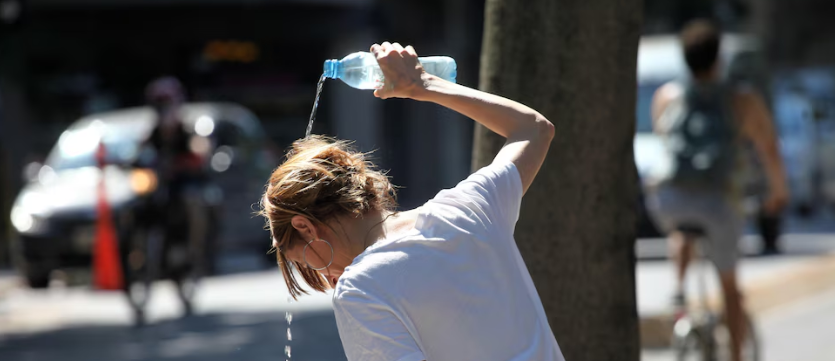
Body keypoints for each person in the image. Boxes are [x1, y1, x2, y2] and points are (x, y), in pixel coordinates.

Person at [261, 42, 564, 361]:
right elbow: (534, 129)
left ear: (305, 227)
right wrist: (426, 85)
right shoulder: (469, 208)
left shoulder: (361, 288)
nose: (330, 279)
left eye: (313, 263)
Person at [646, 20, 788, 361]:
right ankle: (736, 356)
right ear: (718, 58)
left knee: (682, 228)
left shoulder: (666, 96)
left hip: (667, 200)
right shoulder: (742, 100)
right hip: (718, 201)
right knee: (730, 291)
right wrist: (777, 193)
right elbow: (769, 150)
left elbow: (666, 145)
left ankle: (679, 292)